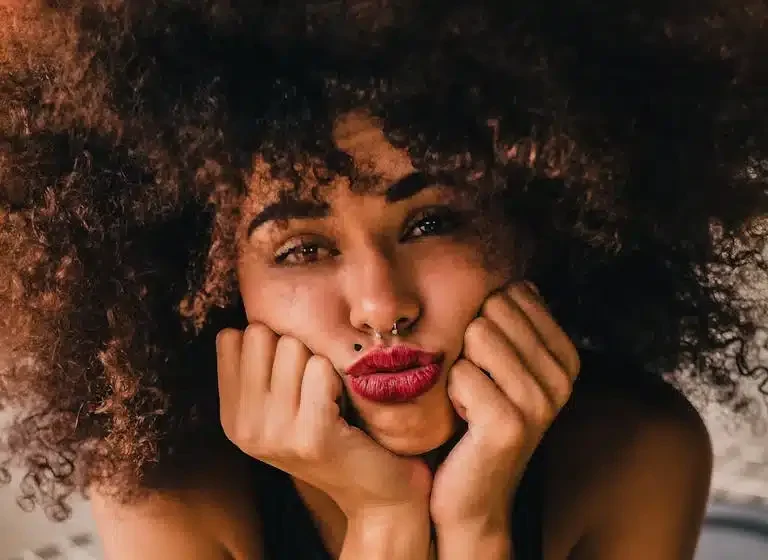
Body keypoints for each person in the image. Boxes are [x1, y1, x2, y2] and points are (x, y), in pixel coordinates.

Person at [1, 1, 766, 558]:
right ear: (212, 280)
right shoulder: (167, 486)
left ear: (538, 225)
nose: (381, 308)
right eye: (299, 248)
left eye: (431, 224)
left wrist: (477, 526)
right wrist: (385, 518)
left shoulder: (635, 450)